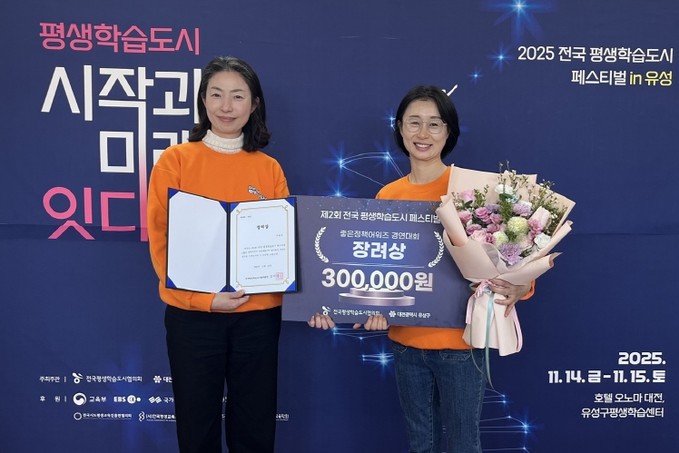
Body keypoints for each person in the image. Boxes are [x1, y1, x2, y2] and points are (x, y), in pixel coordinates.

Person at [309, 85, 534, 453]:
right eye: (414, 122)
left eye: (434, 123)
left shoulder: (475, 192)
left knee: (463, 445)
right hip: (406, 345)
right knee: (420, 445)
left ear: (449, 131)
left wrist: (522, 287)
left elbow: (513, 253)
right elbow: (375, 271)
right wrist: (363, 309)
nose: (423, 133)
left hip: (461, 345)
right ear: (400, 128)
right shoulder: (387, 196)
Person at [147, 56, 289, 453]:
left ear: (254, 104)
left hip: (258, 316)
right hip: (193, 317)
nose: (226, 107)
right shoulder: (176, 160)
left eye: (238, 96)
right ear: (203, 101)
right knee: (197, 427)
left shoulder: (269, 169)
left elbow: (282, 244)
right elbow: (160, 238)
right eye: (216, 95)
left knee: (255, 428)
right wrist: (203, 299)